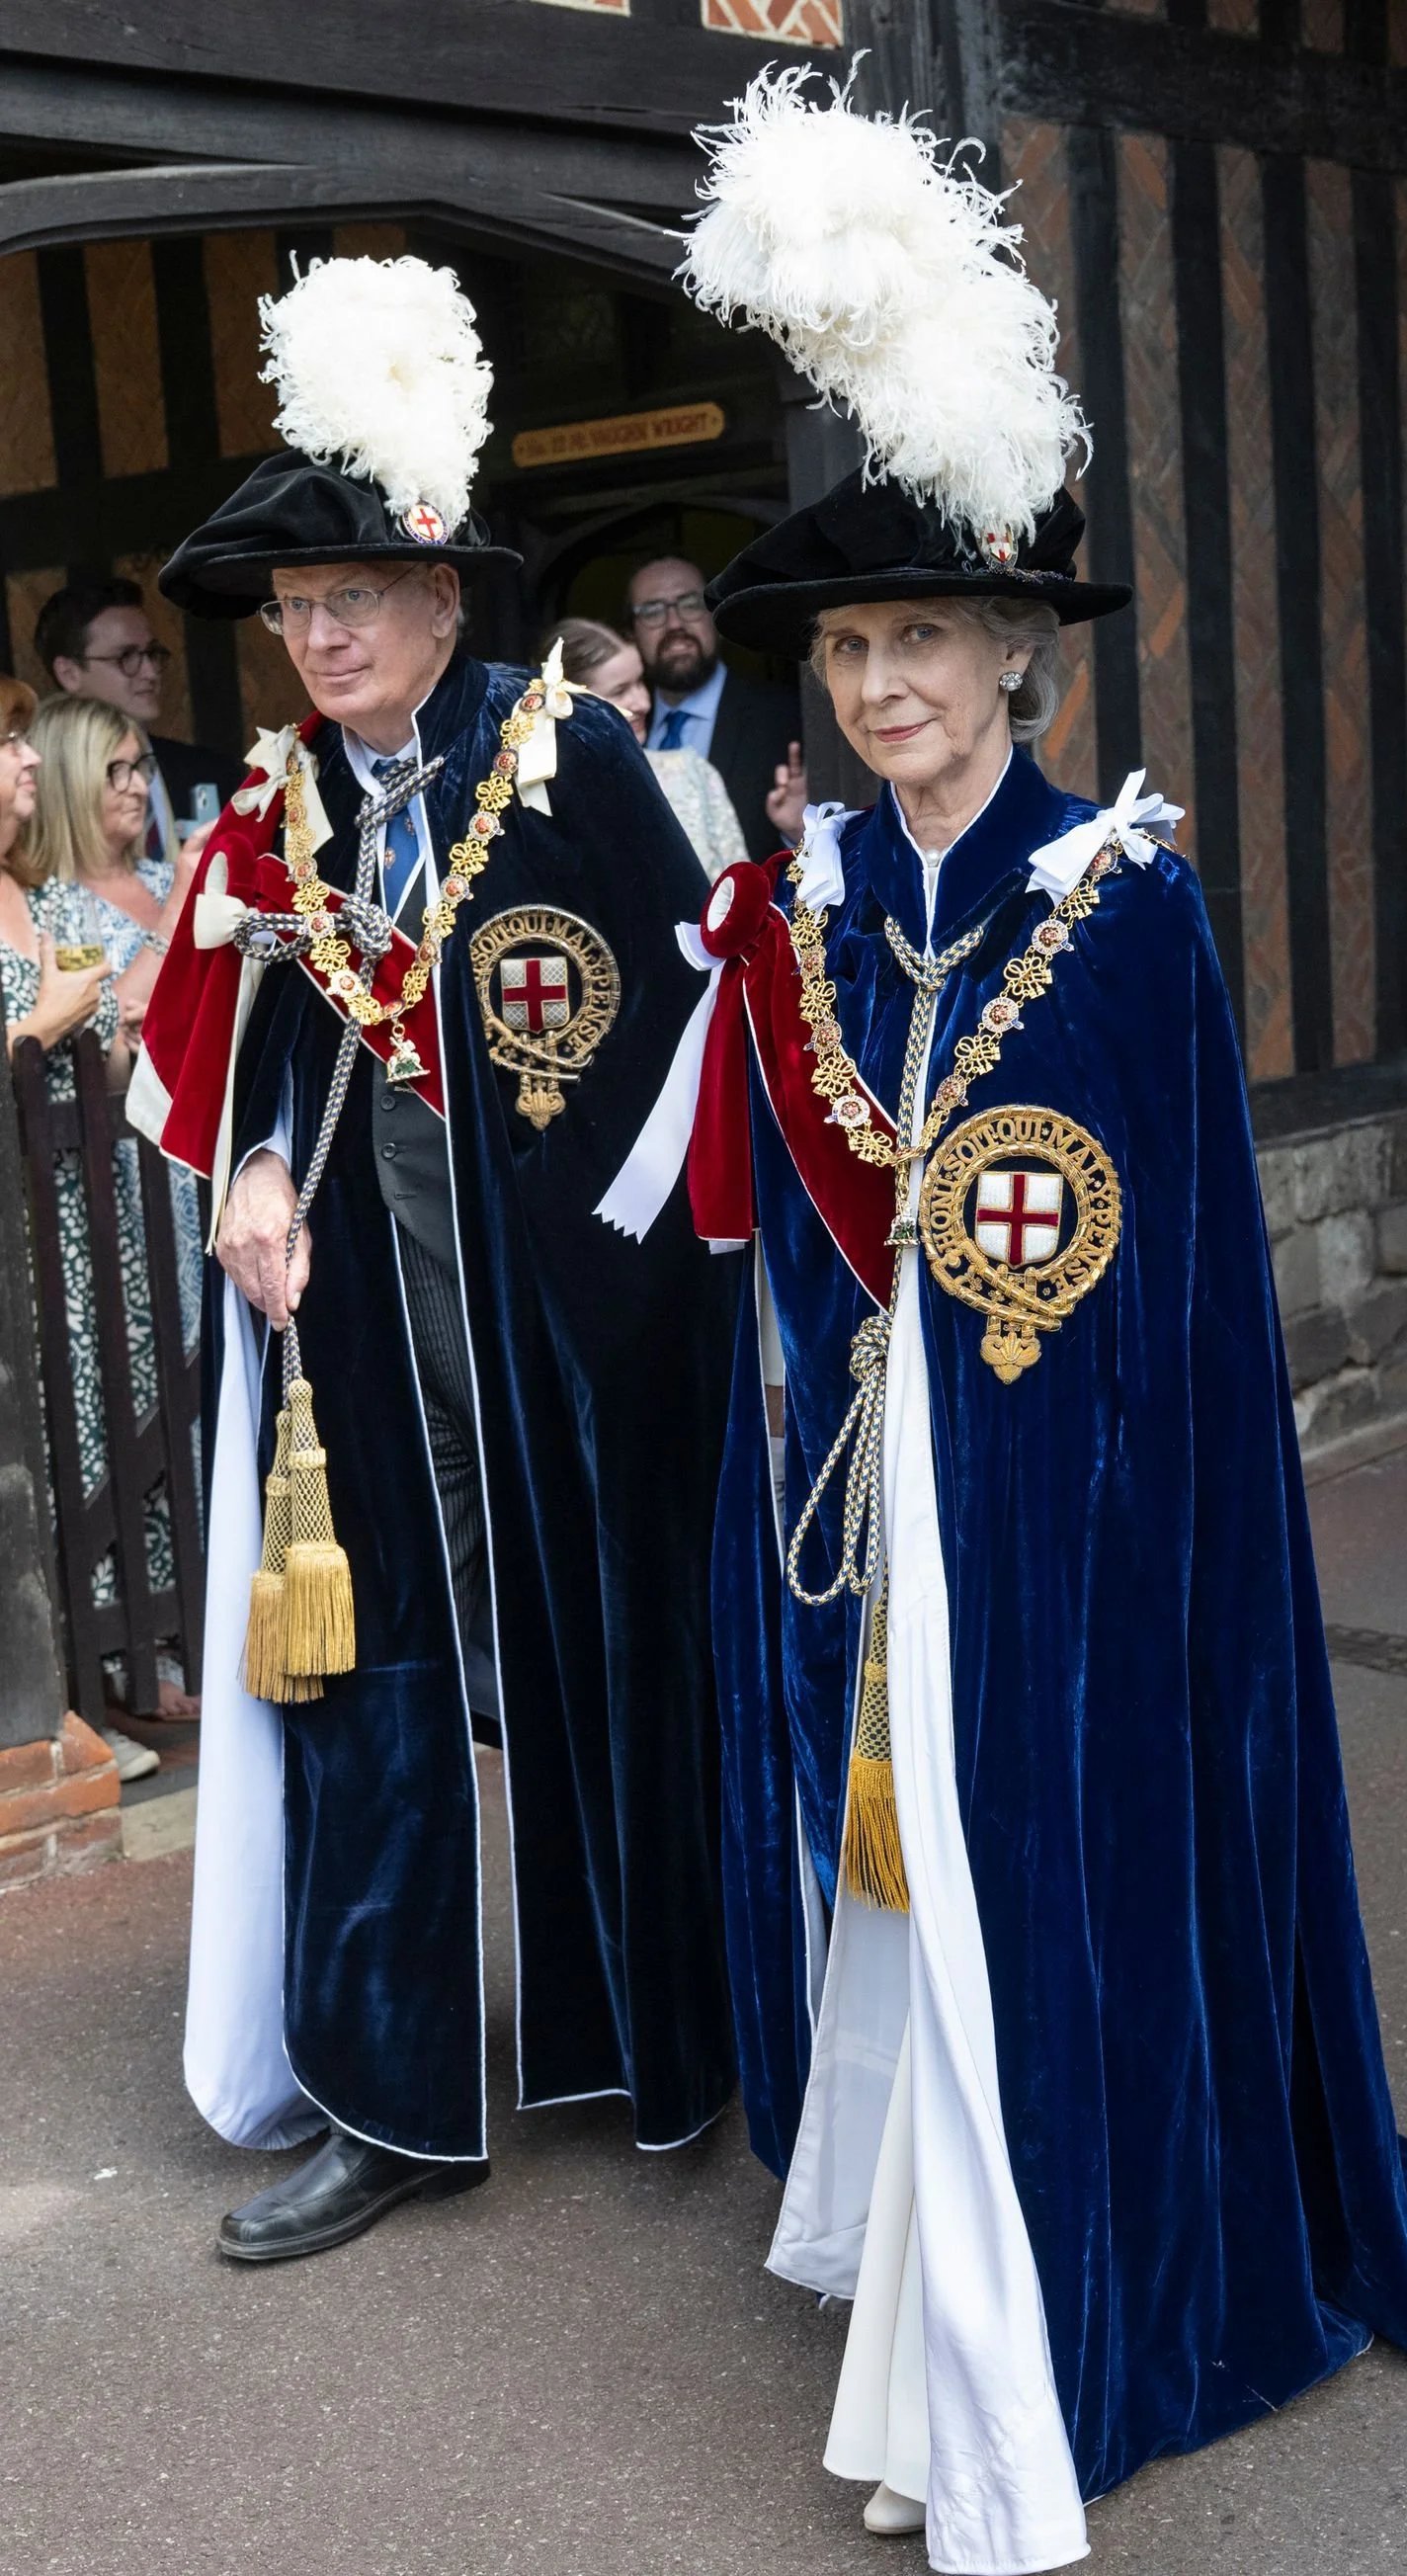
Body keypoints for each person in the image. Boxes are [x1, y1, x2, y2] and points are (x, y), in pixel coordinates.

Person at [604, 71, 1407, 2573]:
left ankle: (1037, 2362)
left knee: (1030, 1890)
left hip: (1066, 1533)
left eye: (930, 638)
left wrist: (1016, 1471)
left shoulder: (1112, 915)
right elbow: (808, 1230)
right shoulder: (808, 900)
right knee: (898, 1893)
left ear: (1021, 655)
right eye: (853, 645)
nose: (884, 681)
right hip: (869, 1513)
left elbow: (1143, 1295)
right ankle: (933, 2293)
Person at [130, 252, 737, 2264]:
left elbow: (689, 1031)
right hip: (365, 1309)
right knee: (366, 1668)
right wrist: (256, 1168)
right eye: (294, 609)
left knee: (613, 1644)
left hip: (569, 1322)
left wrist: (645, 1293)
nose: (312, 634)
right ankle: (388, 2093)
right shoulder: (294, 795)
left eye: (350, 600)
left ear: (440, 603)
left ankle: (668, 2030)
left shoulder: (567, 763)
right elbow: (285, 1025)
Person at [0, 677, 164, 1783]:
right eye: (2, 744)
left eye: (21, 741)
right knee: (36, 1449)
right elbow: (36, 1042)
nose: (21, 761)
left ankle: (128, 1667)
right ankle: (55, 1703)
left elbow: (102, 1069)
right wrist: (31, 1028)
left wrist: (123, 1021)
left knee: (114, 1419)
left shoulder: (43, 900)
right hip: (10, 1226)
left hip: (88, 1213)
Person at [36, 576, 245, 862]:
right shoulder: (34, 790)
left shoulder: (214, 774)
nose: (150, 672)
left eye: (152, 654)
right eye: (126, 657)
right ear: (69, 673)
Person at [628, 552, 801, 863]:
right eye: (652, 611)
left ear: (714, 615)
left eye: (690, 604)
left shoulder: (784, 716)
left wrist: (799, 831)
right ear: (632, 633)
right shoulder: (621, 724)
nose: (674, 623)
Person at [551, 616, 749, 880]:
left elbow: (743, 894)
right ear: (566, 705)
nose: (643, 702)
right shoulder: (541, 802)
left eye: (640, 682)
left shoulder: (693, 774)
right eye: (620, 691)